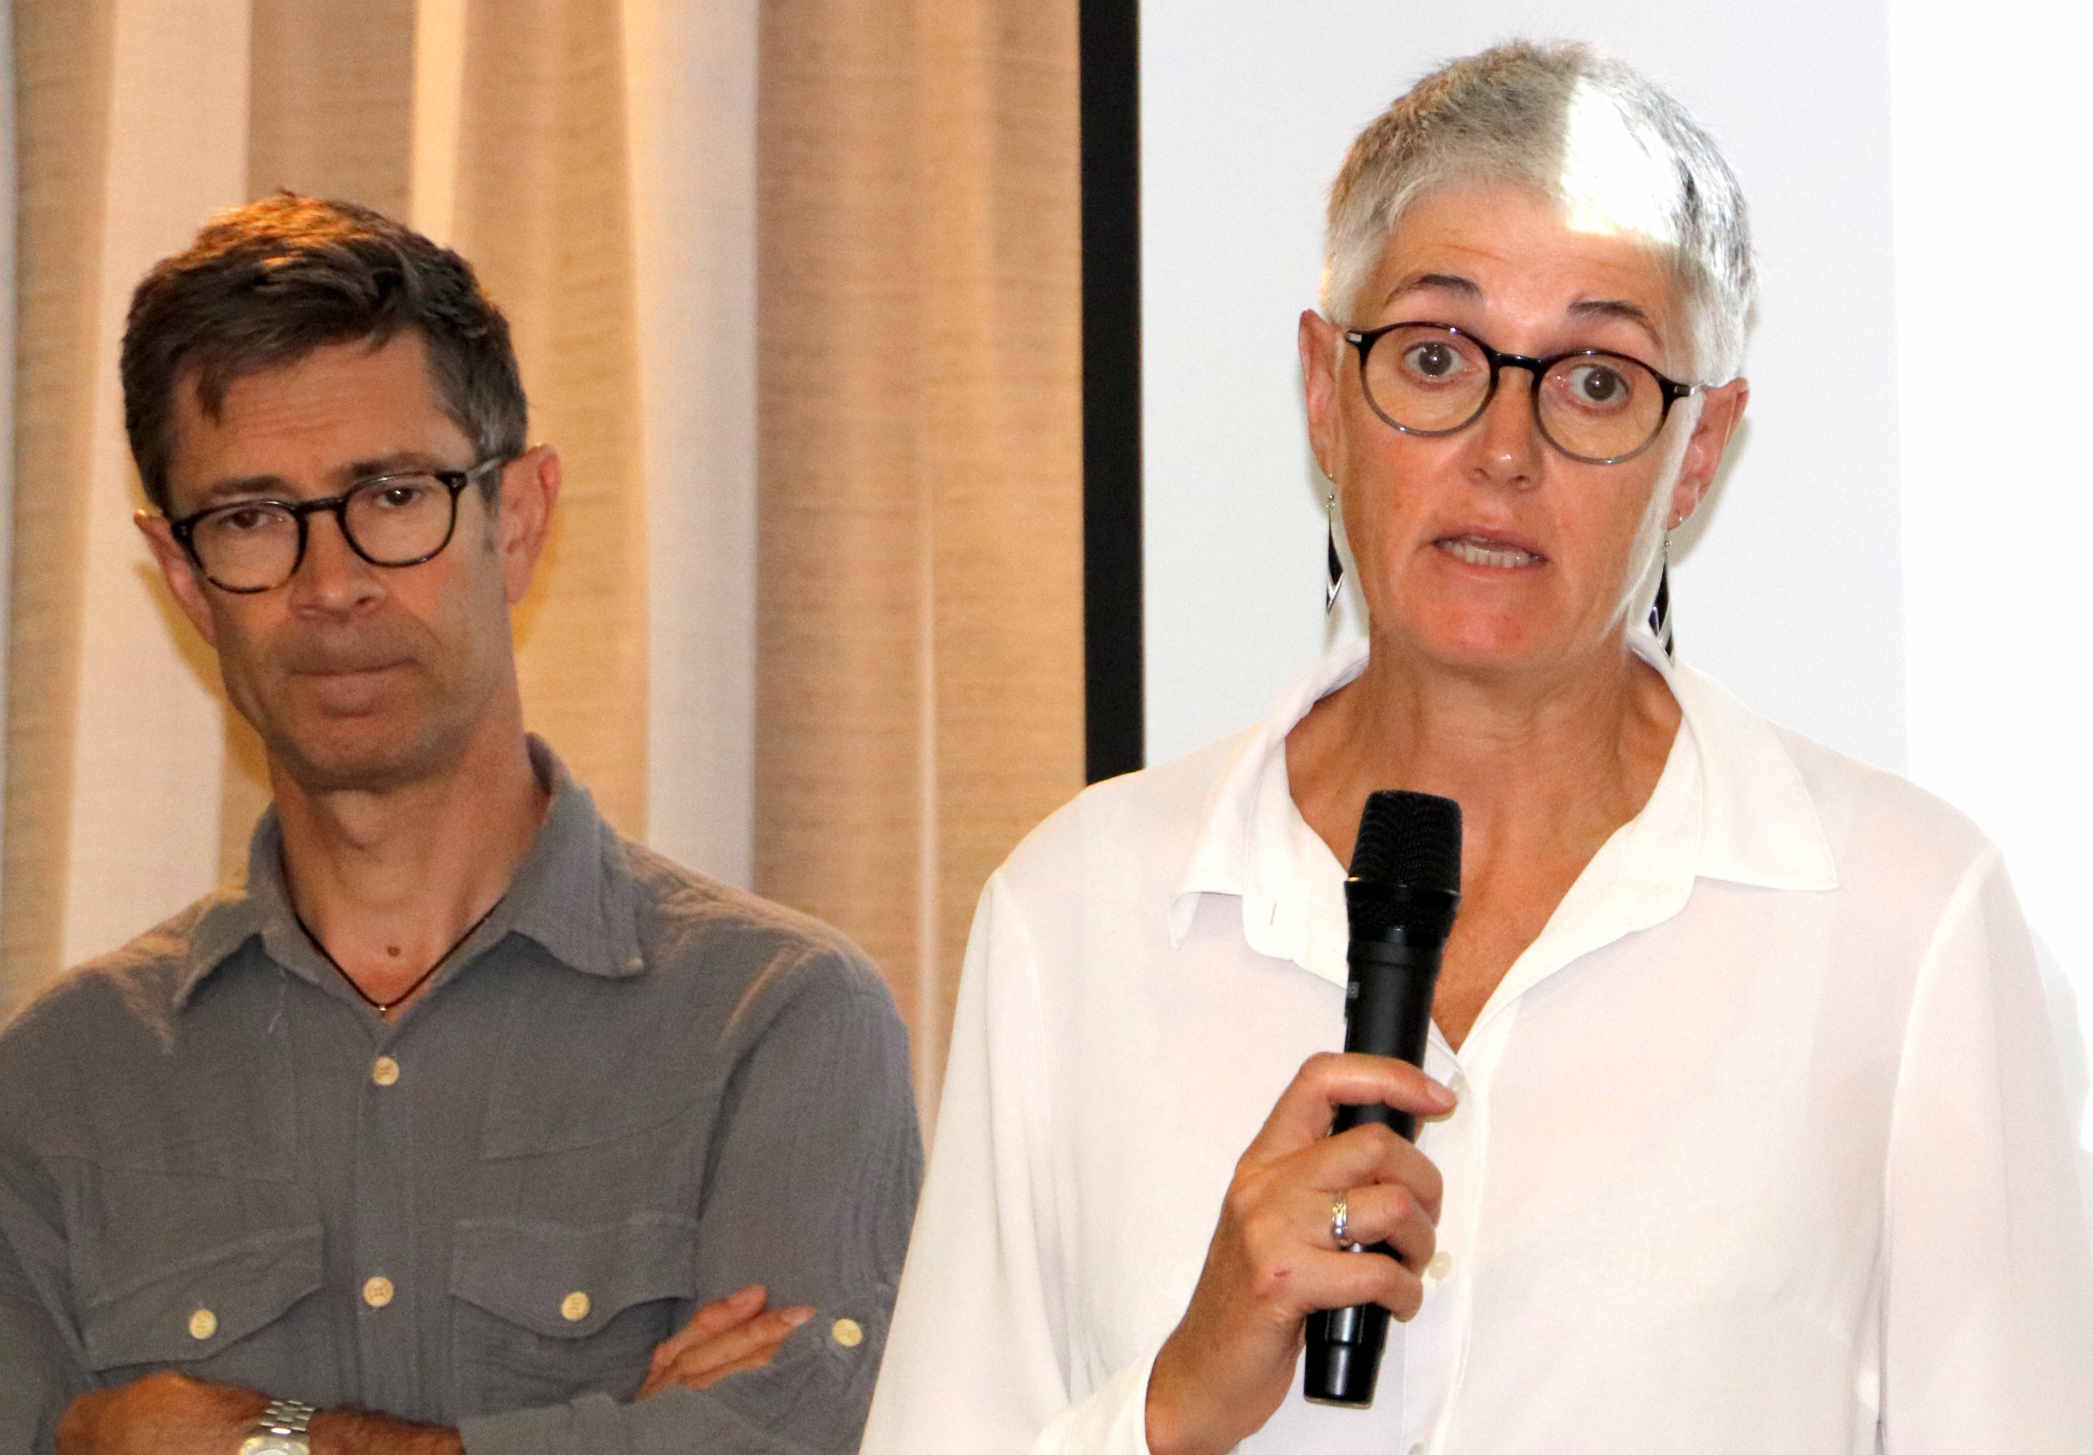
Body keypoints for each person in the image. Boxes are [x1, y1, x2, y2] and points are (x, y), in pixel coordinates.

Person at [863, 40, 2093, 1454]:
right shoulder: (1079, 906)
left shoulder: (1905, 916)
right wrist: (1173, 1400)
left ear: (1698, 452)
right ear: (1327, 391)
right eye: (1436, 358)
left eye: (1595, 380)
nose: (1504, 448)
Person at [0, 196, 921, 1455]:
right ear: (184, 578)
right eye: (253, 519)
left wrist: (257, 1438)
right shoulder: (60, 1083)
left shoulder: (775, 1023)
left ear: (520, 517)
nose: (332, 586)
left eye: (392, 496)